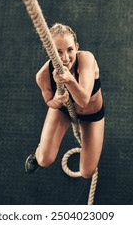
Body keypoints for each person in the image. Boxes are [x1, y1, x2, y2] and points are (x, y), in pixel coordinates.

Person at [25, 23, 105, 179]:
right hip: (63, 111)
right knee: (44, 160)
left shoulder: (86, 59)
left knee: (87, 172)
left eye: (70, 50)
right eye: (58, 52)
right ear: (50, 51)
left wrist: (69, 80)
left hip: (91, 115)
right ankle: (37, 153)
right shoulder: (42, 75)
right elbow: (50, 102)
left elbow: (83, 100)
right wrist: (57, 100)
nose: (65, 57)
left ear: (76, 46)